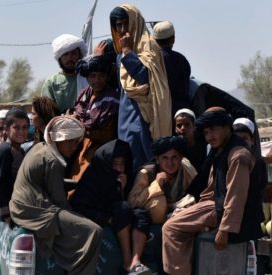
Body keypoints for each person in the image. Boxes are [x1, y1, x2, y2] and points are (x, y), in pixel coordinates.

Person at [145, 109, 264, 275]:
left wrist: (224, 230)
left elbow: (236, 197)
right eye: (206, 133)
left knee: (171, 228)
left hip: (224, 211)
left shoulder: (238, 155)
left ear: (227, 128)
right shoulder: (222, 151)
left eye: (214, 130)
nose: (210, 136)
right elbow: (210, 187)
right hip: (214, 205)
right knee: (175, 221)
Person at [9, 116, 104, 275]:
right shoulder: (53, 161)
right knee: (93, 230)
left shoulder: (40, 148)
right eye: (70, 142)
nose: (74, 146)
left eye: (76, 142)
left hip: (23, 205)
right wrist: (76, 217)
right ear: (58, 139)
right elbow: (60, 202)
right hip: (34, 210)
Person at [71, 139, 155, 275]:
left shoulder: (126, 177)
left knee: (141, 214)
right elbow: (80, 206)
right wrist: (106, 219)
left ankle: (136, 262)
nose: (118, 168)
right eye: (114, 164)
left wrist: (122, 189)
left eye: (121, 164)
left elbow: (127, 204)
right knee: (122, 209)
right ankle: (127, 263)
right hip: (100, 216)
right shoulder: (93, 178)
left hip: (119, 214)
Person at [109, 4, 172, 172]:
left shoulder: (149, 47)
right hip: (125, 120)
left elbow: (145, 77)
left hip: (146, 117)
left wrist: (128, 52)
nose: (122, 30)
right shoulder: (119, 54)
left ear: (134, 23)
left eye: (125, 24)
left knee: (146, 167)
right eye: (118, 25)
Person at [68, 54, 119, 181]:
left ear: (107, 77)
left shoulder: (112, 98)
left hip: (100, 150)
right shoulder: (83, 94)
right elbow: (76, 114)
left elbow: (107, 135)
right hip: (80, 147)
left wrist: (80, 128)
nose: (97, 80)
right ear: (87, 77)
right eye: (93, 76)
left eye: (101, 75)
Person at [128, 136, 197, 225]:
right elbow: (132, 202)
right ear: (157, 159)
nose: (170, 163)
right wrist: (156, 184)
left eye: (174, 157)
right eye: (165, 158)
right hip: (152, 218)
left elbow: (197, 193)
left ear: (181, 158)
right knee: (159, 202)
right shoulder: (146, 173)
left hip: (178, 211)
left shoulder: (186, 169)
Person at [0, 109, 29, 224]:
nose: (21, 131)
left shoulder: (20, 151)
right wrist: (6, 215)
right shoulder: (4, 150)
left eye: (25, 127)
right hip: (8, 215)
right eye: (16, 127)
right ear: (6, 129)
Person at [153, 21, 191, 116]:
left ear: (154, 40)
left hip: (160, 112)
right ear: (173, 39)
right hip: (182, 111)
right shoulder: (182, 59)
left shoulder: (153, 60)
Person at [41, 34, 88, 113]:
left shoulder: (88, 78)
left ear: (79, 56)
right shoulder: (51, 82)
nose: (69, 58)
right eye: (65, 54)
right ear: (59, 58)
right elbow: (46, 113)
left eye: (73, 53)